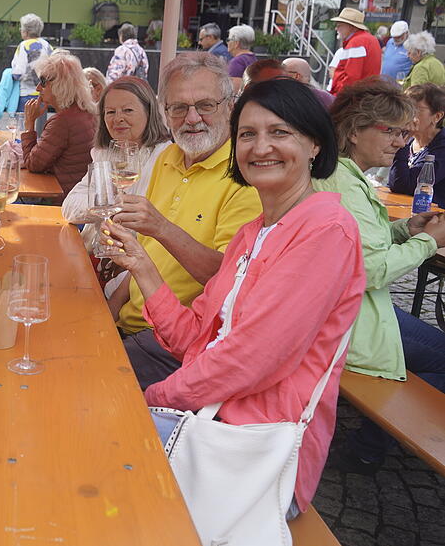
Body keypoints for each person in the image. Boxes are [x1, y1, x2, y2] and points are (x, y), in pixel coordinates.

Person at [103, 77, 365, 517]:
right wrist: (142, 267)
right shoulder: (254, 234)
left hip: (253, 456)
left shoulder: (326, 230)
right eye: (248, 134)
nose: (260, 147)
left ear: (315, 144)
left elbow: (248, 360)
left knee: (91, 452)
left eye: (279, 132)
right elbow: (195, 339)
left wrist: (149, 398)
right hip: (208, 428)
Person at [312, 78, 445, 473]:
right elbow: (371, 270)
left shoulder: (340, 175)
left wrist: (405, 230)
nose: (402, 142)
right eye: (391, 131)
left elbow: (355, 247)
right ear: (354, 130)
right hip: (349, 320)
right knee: (441, 358)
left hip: (338, 310)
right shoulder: (345, 185)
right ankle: (368, 448)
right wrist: (428, 243)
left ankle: (370, 442)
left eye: (406, 132)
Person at [108, 52, 262, 389]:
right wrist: (111, 306)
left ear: (230, 106)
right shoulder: (168, 156)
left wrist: (162, 227)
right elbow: (146, 250)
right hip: (135, 322)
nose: (192, 118)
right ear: (164, 113)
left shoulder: (247, 177)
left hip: (180, 341)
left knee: (83, 381)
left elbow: (226, 279)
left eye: (205, 105)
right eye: (178, 108)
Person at [62, 77, 171, 250]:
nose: (118, 118)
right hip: (93, 253)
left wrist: (101, 203)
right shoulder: (105, 154)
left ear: (149, 112)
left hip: (136, 263)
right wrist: (109, 203)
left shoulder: (166, 156)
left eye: (127, 110)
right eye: (110, 112)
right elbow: (69, 208)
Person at [20, 52, 98, 197]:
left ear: (60, 85)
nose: (38, 88)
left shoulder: (62, 122)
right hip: (82, 194)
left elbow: (33, 164)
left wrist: (29, 123)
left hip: (63, 199)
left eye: (43, 82)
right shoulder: (87, 111)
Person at [388, 84, 445, 205]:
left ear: (437, 116)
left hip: (434, 218)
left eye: (415, 109)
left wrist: (404, 138)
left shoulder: (442, 147)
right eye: (406, 108)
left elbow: (403, 186)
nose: (407, 115)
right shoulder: (411, 141)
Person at [328, 7, 381, 96]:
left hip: (354, 97)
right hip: (366, 94)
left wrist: (339, 99)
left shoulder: (356, 43)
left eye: (339, 25)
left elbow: (351, 78)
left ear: (351, 27)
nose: (336, 29)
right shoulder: (369, 39)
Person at [11, 13, 53, 113]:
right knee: (40, 126)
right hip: (44, 95)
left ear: (26, 31)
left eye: (21, 28)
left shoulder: (24, 45)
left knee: (25, 125)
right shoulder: (47, 46)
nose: (20, 30)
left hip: (27, 94)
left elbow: (18, 73)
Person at [225, 24, 257, 92]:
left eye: (228, 39)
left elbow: (234, 91)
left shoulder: (237, 62)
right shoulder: (253, 58)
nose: (227, 42)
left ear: (236, 43)